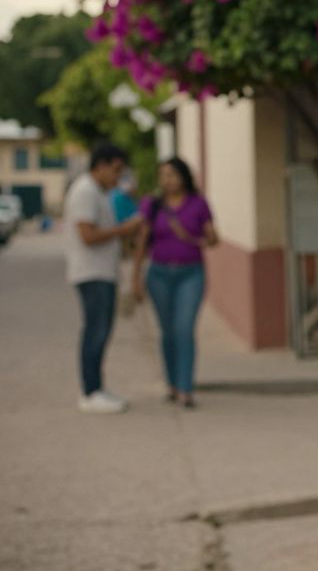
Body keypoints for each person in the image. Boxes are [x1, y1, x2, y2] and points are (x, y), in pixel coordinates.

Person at [131, 158, 217, 409]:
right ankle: (171, 384)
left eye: (172, 174)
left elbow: (213, 239)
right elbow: (142, 240)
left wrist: (204, 236)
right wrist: (135, 277)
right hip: (159, 275)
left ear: (183, 176)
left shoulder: (198, 203)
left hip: (191, 273)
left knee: (184, 328)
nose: (167, 180)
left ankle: (186, 388)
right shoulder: (152, 205)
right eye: (163, 175)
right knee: (167, 331)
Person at [66, 143, 141, 413]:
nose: (118, 177)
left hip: (102, 272)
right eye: (116, 170)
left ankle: (97, 387)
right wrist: (123, 229)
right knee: (95, 332)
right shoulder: (85, 191)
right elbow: (88, 236)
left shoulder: (99, 192)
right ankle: (90, 392)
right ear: (101, 165)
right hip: (92, 273)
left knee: (101, 331)